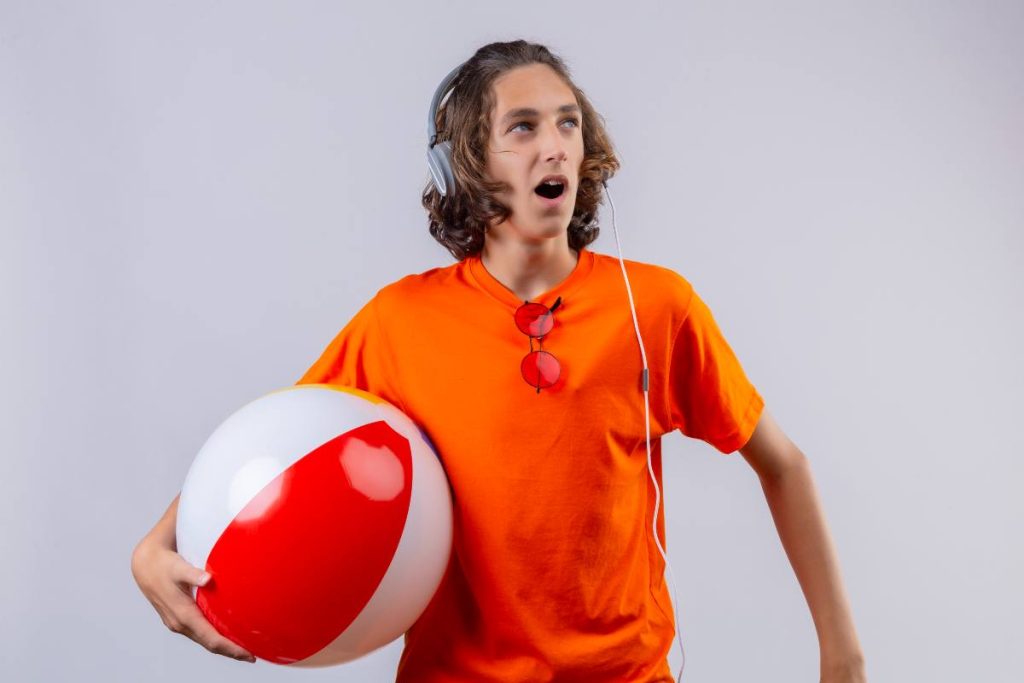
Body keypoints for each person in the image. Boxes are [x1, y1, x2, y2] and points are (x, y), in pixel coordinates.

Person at [131, 40, 866, 682]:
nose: (555, 146)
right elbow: (281, 448)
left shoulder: (657, 307)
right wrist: (156, 547)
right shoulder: (402, 319)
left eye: (567, 123)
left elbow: (783, 463)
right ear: (469, 163)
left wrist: (844, 661)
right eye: (523, 127)